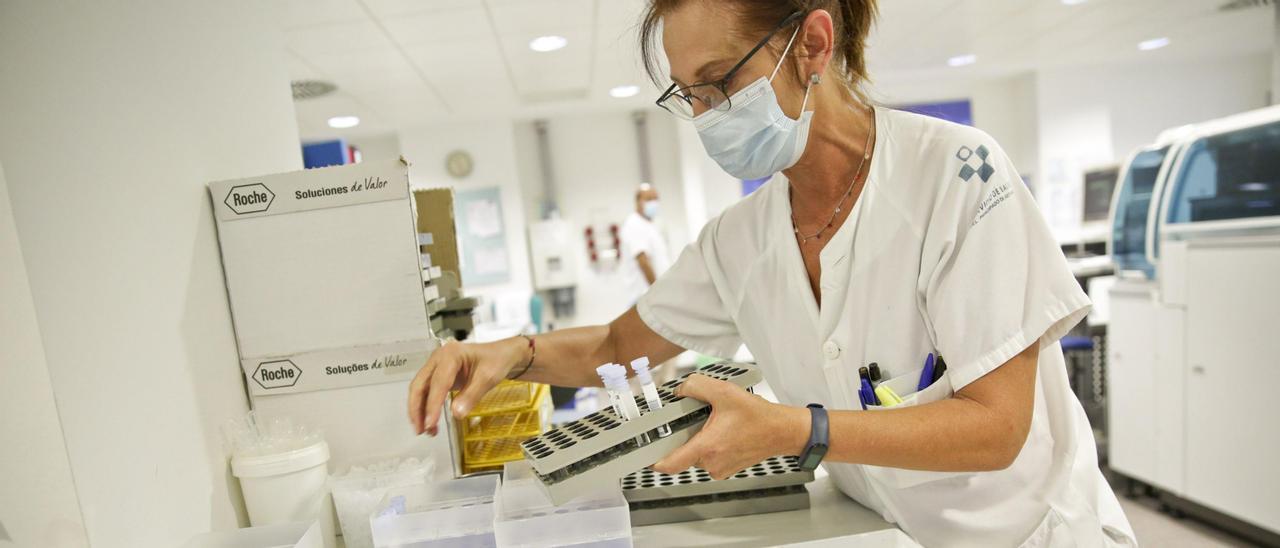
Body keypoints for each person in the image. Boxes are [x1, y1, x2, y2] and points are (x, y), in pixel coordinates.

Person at [408, 1, 1135, 546]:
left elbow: (996, 429)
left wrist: (796, 429)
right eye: (689, 94)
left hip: (1037, 534)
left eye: (720, 81)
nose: (706, 113)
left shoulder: (957, 177)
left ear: (812, 44)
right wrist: (511, 354)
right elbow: (611, 346)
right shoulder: (739, 240)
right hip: (896, 533)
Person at [619, 183, 671, 305]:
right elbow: (643, 261)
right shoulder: (634, 224)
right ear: (637, 202)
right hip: (645, 298)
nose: (653, 203)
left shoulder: (650, 225)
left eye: (655, 199)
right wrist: (657, 292)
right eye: (648, 199)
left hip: (652, 296)